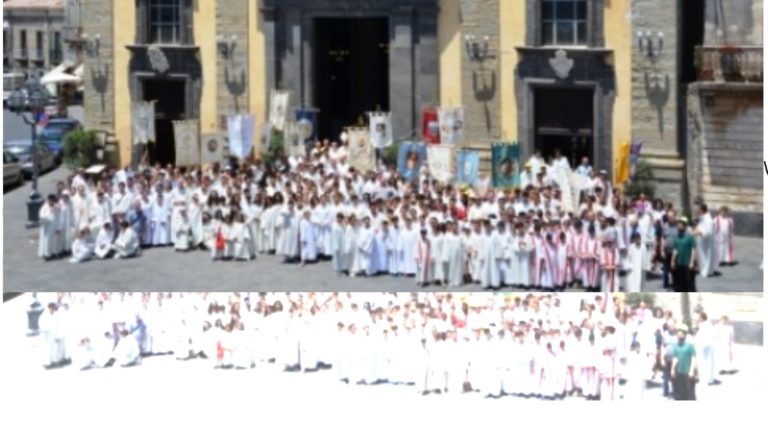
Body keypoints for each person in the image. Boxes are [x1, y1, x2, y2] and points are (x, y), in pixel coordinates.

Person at [671, 327, 697, 400]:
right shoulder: (676, 346)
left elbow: (693, 358)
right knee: (680, 393)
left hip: (687, 372)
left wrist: (691, 370)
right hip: (679, 372)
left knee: (690, 393)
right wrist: (672, 370)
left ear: (685, 336)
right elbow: (675, 359)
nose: (679, 336)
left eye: (681, 334)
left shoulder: (689, 346)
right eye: (678, 334)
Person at [671, 218, 697, 292]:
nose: (678, 227)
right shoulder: (677, 238)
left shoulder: (690, 237)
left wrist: (692, 262)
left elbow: (693, 250)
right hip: (679, 263)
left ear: (684, 227)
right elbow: (675, 250)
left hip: (688, 264)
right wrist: (672, 261)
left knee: (690, 283)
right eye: (678, 226)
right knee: (681, 283)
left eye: (680, 226)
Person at [694, 203, 716, 278]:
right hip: (701, 242)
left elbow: (708, 232)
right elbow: (700, 225)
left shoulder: (708, 219)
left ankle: (706, 270)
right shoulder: (703, 217)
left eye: (698, 209)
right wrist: (697, 228)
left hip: (706, 243)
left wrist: (699, 232)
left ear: (702, 210)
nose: (697, 211)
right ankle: (703, 269)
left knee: (706, 256)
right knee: (702, 256)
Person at [38, 194, 62, 260]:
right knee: (47, 240)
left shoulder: (56, 207)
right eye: (50, 200)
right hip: (47, 227)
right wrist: (49, 213)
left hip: (54, 227)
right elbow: (41, 216)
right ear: (48, 200)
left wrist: (58, 227)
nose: (51, 202)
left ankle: (54, 252)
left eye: (53, 201)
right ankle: (47, 254)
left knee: (54, 240)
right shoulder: (44, 207)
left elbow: (58, 217)